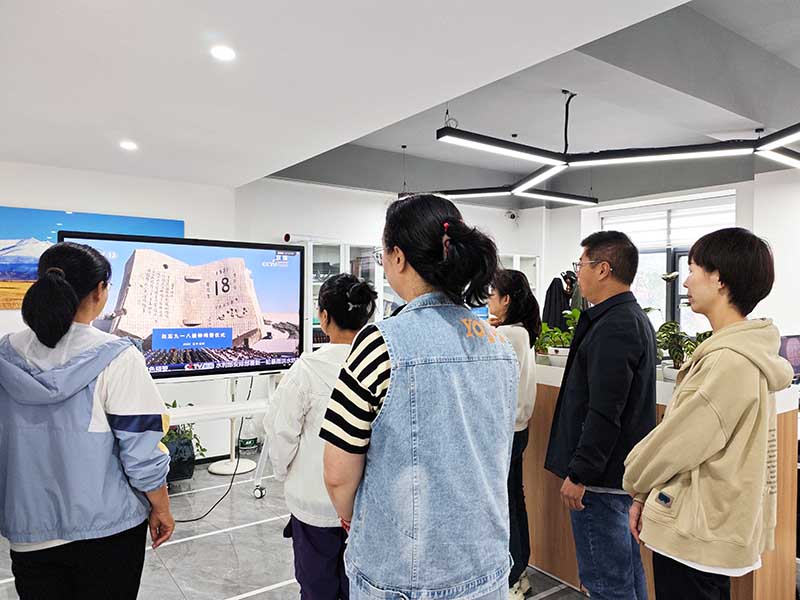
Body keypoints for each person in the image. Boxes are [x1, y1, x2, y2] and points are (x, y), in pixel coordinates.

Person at [320, 194, 519, 600]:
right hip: (488, 568)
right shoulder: (500, 345)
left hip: (403, 576)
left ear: (398, 257)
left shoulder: (379, 343)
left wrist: (357, 519)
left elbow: (338, 474)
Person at [624, 228, 793, 600]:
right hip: (712, 526)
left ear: (719, 278)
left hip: (695, 533)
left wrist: (634, 479)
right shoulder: (745, 354)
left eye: (693, 269)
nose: (686, 281)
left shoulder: (728, 362)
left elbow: (677, 444)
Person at [0, 242, 174, 600]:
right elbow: (142, 451)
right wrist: (162, 506)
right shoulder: (118, 357)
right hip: (108, 532)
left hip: (30, 530)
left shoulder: (5, 355)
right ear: (100, 290)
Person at [544, 231, 657, 600]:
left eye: (581, 265)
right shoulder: (623, 317)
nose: (577, 274)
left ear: (604, 269)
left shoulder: (616, 325)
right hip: (613, 477)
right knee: (626, 574)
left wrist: (581, 473)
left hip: (601, 482)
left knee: (607, 583)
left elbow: (605, 411)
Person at [265, 273, 377, 600]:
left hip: (314, 503)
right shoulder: (378, 366)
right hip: (364, 506)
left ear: (324, 317)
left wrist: (283, 473)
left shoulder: (307, 369)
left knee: (316, 589)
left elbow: (281, 432)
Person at [487, 269, 540, 599]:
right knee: (514, 499)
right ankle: (519, 571)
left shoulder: (505, 334)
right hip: (518, 430)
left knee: (504, 504)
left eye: (492, 294)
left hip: (504, 433)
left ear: (506, 299)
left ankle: (512, 577)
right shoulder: (520, 332)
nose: (488, 299)